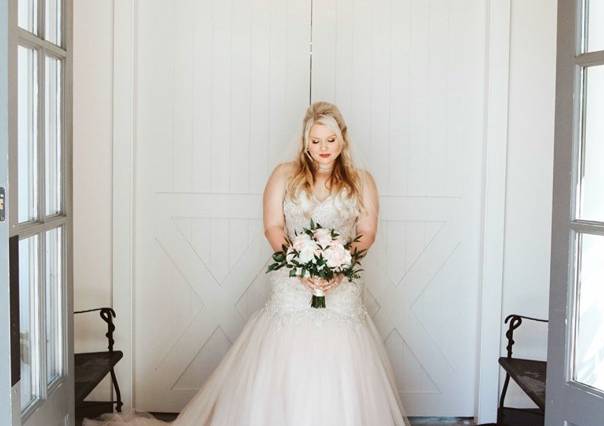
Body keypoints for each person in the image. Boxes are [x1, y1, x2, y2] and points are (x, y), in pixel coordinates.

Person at [84, 101, 410, 426]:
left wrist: (338, 267)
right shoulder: (285, 175)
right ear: (305, 142)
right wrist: (299, 264)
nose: (323, 148)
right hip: (292, 284)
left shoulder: (361, 180)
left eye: (330, 139)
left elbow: (366, 233)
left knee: (342, 358)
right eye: (315, 140)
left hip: (343, 289)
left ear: (343, 139)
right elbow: (273, 227)